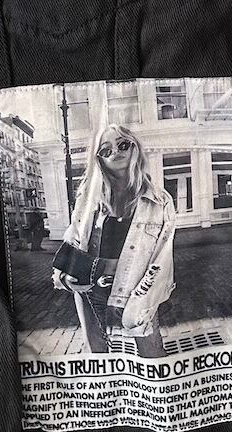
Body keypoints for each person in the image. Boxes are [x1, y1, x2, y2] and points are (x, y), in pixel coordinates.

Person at [52, 122, 176, 357]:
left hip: (137, 293)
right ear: (98, 159)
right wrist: (65, 277)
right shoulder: (89, 197)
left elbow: (162, 261)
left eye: (123, 145)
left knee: (152, 356)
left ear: (135, 147)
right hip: (90, 292)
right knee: (98, 359)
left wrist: (138, 305)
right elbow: (74, 239)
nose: (116, 152)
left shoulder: (160, 201)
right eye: (106, 150)